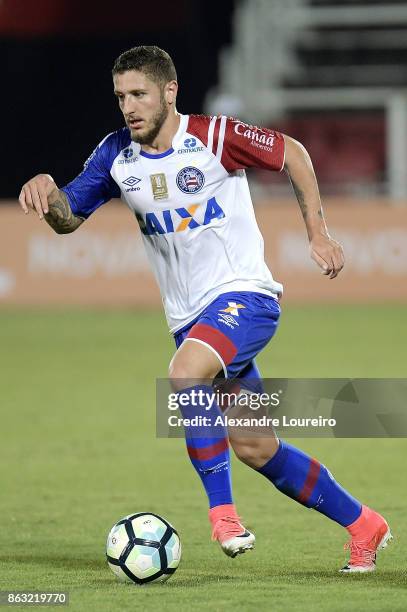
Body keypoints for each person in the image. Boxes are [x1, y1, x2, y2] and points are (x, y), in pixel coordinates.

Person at [19, 45, 392, 573]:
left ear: (169, 92)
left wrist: (319, 233)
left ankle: (223, 515)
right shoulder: (115, 157)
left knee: (184, 372)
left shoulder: (215, 137)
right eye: (121, 96)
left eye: (140, 94)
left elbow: (293, 153)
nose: (129, 107)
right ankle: (365, 525)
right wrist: (47, 193)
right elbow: (67, 217)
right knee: (256, 446)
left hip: (247, 298)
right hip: (191, 322)